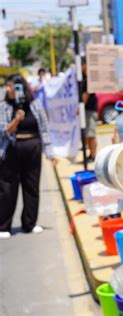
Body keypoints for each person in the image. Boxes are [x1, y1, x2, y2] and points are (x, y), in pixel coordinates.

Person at [0, 74, 57, 239]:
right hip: (12, 150)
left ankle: (29, 223)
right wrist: (16, 119)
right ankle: (4, 225)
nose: (9, 89)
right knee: (7, 189)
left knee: (31, 186)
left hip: (32, 149)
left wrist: (50, 154)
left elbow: (44, 130)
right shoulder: (4, 107)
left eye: (12, 86)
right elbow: (4, 131)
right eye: (8, 87)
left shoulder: (35, 105)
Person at [80, 58, 98, 162]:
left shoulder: (89, 79)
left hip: (90, 110)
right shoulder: (83, 78)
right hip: (86, 110)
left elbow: (86, 95)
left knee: (91, 134)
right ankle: (91, 154)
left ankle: (93, 155)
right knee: (87, 134)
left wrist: (80, 107)